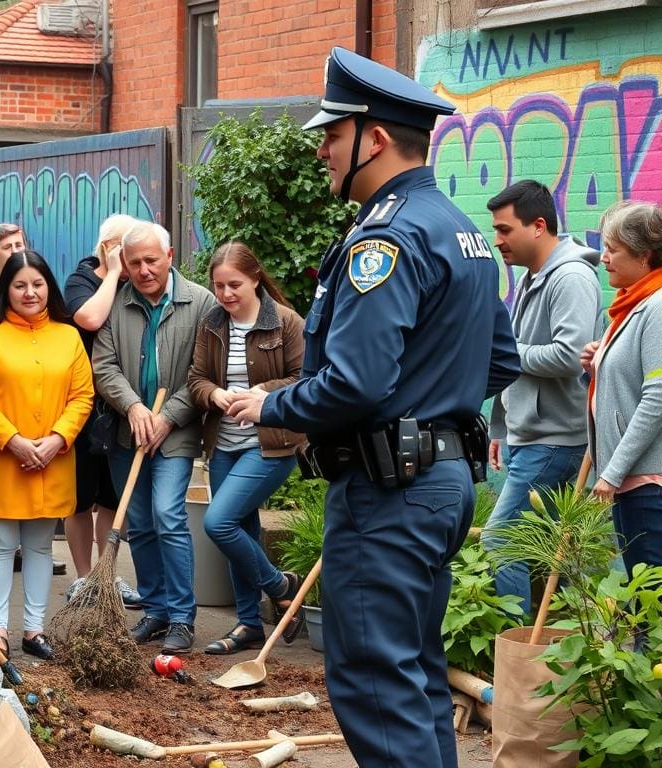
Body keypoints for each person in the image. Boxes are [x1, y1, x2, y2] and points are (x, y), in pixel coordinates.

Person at [227, 48, 520, 767]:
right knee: (412, 681)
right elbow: (501, 360)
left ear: (376, 138)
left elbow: (354, 385)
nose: (322, 147)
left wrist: (268, 404)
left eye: (333, 133)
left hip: (389, 491)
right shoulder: (463, 230)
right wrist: (432, 404)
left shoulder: (385, 238)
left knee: (377, 689)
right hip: (435, 482)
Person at [0, 251, 93, 661]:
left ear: (49, 288)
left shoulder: (68, 336)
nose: (30, 292)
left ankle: (34, 629)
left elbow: (82, 395)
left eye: (37, 284)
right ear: (7, 289)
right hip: (0, 456)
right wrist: (13, 440)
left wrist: (58, 438)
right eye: (20, 285)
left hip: (54, 455)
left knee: (39, 547)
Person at [93, 220, 216, 654]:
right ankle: (157, 609)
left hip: (176, 432)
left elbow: (204, 374)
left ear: (170, 257)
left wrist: (168, 416)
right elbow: (103, 366)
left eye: (151, 260)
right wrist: (133, 406)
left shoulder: (201, 303)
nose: (144, 269)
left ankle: (182, 617)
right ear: (123, 263)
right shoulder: (117, 304)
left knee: (168, 515)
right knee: (140, 523)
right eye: (135, 262)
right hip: (129, 431)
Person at [482, 181, 603, 617]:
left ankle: (519, 649)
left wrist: (502, 352)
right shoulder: (536, 276)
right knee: (563, 549)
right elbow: (521, 359)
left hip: (555, 439)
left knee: (502, 538)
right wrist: (501, 428)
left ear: (537, 226)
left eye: (504, 229)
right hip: (531, 434)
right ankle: (581, 647)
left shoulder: (570, 277)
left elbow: (569, 356)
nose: (498, 240)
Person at [188, 242, 306, 654]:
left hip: (271, 444)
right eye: (218, 286)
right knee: (241, 529)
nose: (225, 294)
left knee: (219, 523)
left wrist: (262, 392)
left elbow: (305, 379)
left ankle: (279, 585)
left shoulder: (286, 323)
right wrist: (214, 395)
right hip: (224, 445)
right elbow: (196, 379)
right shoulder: (212, 324)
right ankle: (249, 623)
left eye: (234, 284)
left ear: (255, 278)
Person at [63, 213, 142, 608]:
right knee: (79, 497)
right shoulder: (81, 279)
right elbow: (89, 318)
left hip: (117, 407)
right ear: (109, 248)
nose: (136, 262)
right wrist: (111, 274)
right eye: (127, 252)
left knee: (113, 497)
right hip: (79, 404)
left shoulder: (135, 284)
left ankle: (106, 576)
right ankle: (81, 577)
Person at [581, 200, 662, 578]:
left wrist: (611, 473)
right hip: (631, 477)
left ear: (644, 255)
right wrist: (596, 364)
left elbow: (657, 397)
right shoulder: (632, 304)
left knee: (650, 602)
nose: (603, 257)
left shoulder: (656, 306)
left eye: (613, 249)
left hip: (647, 482)